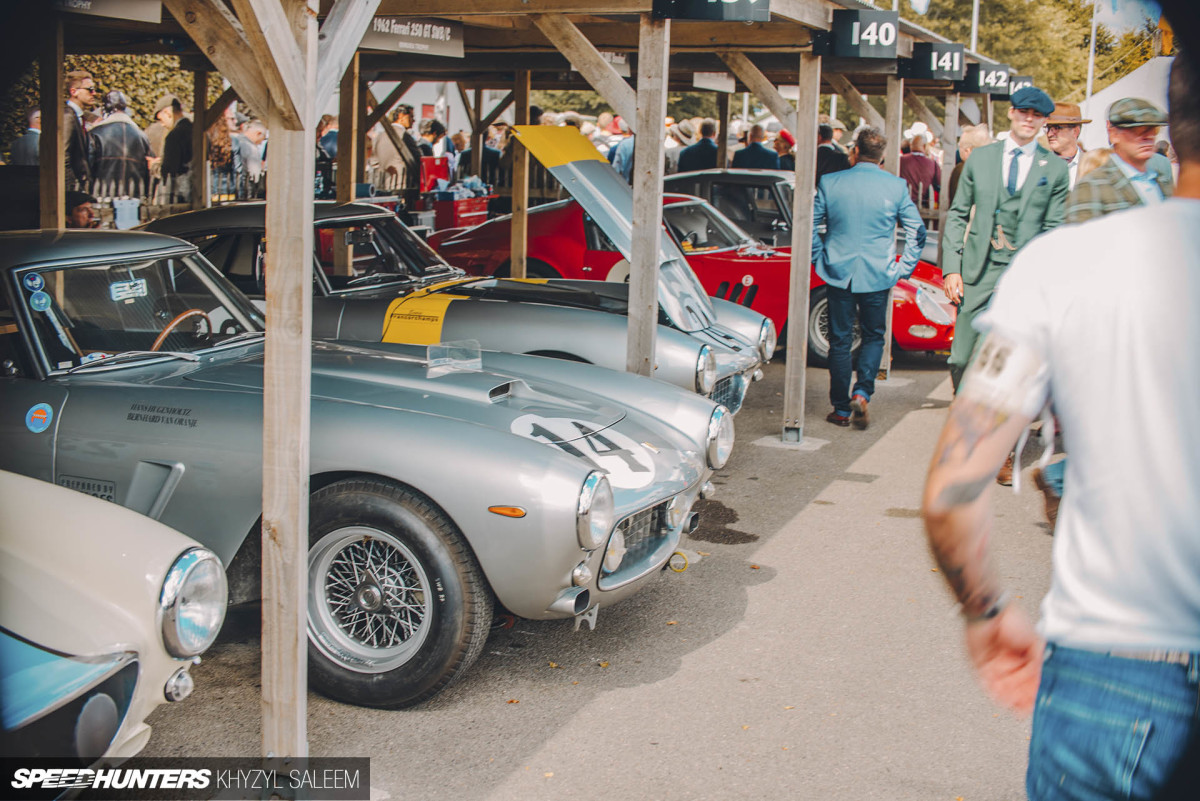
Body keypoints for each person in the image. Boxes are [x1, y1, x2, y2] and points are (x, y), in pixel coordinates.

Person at [922, 54, 1200, 801]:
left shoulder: (1069, 264)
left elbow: (950, 492)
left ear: (1172, 128)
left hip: (1113, 666)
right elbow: (959, 213)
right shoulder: (994, 172)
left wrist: (984, 608)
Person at [941, 86, 1069, 395]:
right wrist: (951, 268)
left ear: (1043, 122)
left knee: (999, 358)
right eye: (1024, 112)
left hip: (1021, 275)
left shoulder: (1054, 168)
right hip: (977, 270)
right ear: (1011, 113)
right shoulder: (981, 159)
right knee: (959, 358)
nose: (1029, 119)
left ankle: (979, 425)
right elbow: (958, 214)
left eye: (1037, 116)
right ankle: (966, 404)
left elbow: (1053, 230)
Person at [812, 126, 926, 430]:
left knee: (840, 339)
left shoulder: (830, 182)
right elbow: (917, 231)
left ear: (855, 151)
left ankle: (840, 408)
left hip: (838, 271)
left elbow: (809, 224)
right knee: (875, 334)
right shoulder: (896, 187)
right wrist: (905, 267)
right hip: (879, 273)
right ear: (883, 156)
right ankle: (862, 392)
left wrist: (817, 256)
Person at [1065, 97, 1173, 224]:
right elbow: (1079, 240)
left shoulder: (1162, 180)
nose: (1148, 136)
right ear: (1114, 134)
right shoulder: (1092, 186)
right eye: (1138, 130)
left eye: (1154, 129)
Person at [89, 90, 151, 196]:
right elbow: (148, 168)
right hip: (133, 196)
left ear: (104, 110)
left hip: (102, 195)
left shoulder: (95, 133)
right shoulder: (142, 136)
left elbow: (88, 165)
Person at [1044, 102, 1090, 189]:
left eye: (1056, 128)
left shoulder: (1092, 164)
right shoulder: (1039, 164)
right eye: (1048, 128)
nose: (1049, 134)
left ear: (1075, 131)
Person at [63, 70, 95, 190]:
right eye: (90, 89)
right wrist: (73, 191)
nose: (94, 93)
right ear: (74, 91)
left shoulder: (78, 117)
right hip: (72, 189)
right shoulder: (67, 116)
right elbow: (63, 157)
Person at [947, 124, 992, 206]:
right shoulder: (996, 170)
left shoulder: (961, 171)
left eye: (960, 146)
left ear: (967, 150)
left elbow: (957, 203)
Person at [160, 97, 193, 202]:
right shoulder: (199, 132)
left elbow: (169, 169)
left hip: (181, 193)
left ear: (168, 113)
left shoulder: (174, 135)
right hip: (200, 188)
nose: (162, 124)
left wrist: (157, 166)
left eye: (161, 119)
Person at [899, 132, 942, 206]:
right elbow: (939, 185)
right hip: (925, 205)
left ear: (911, 146)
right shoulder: (933, 164)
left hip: (903, 204)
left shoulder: (900, 161)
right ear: (924, 146)